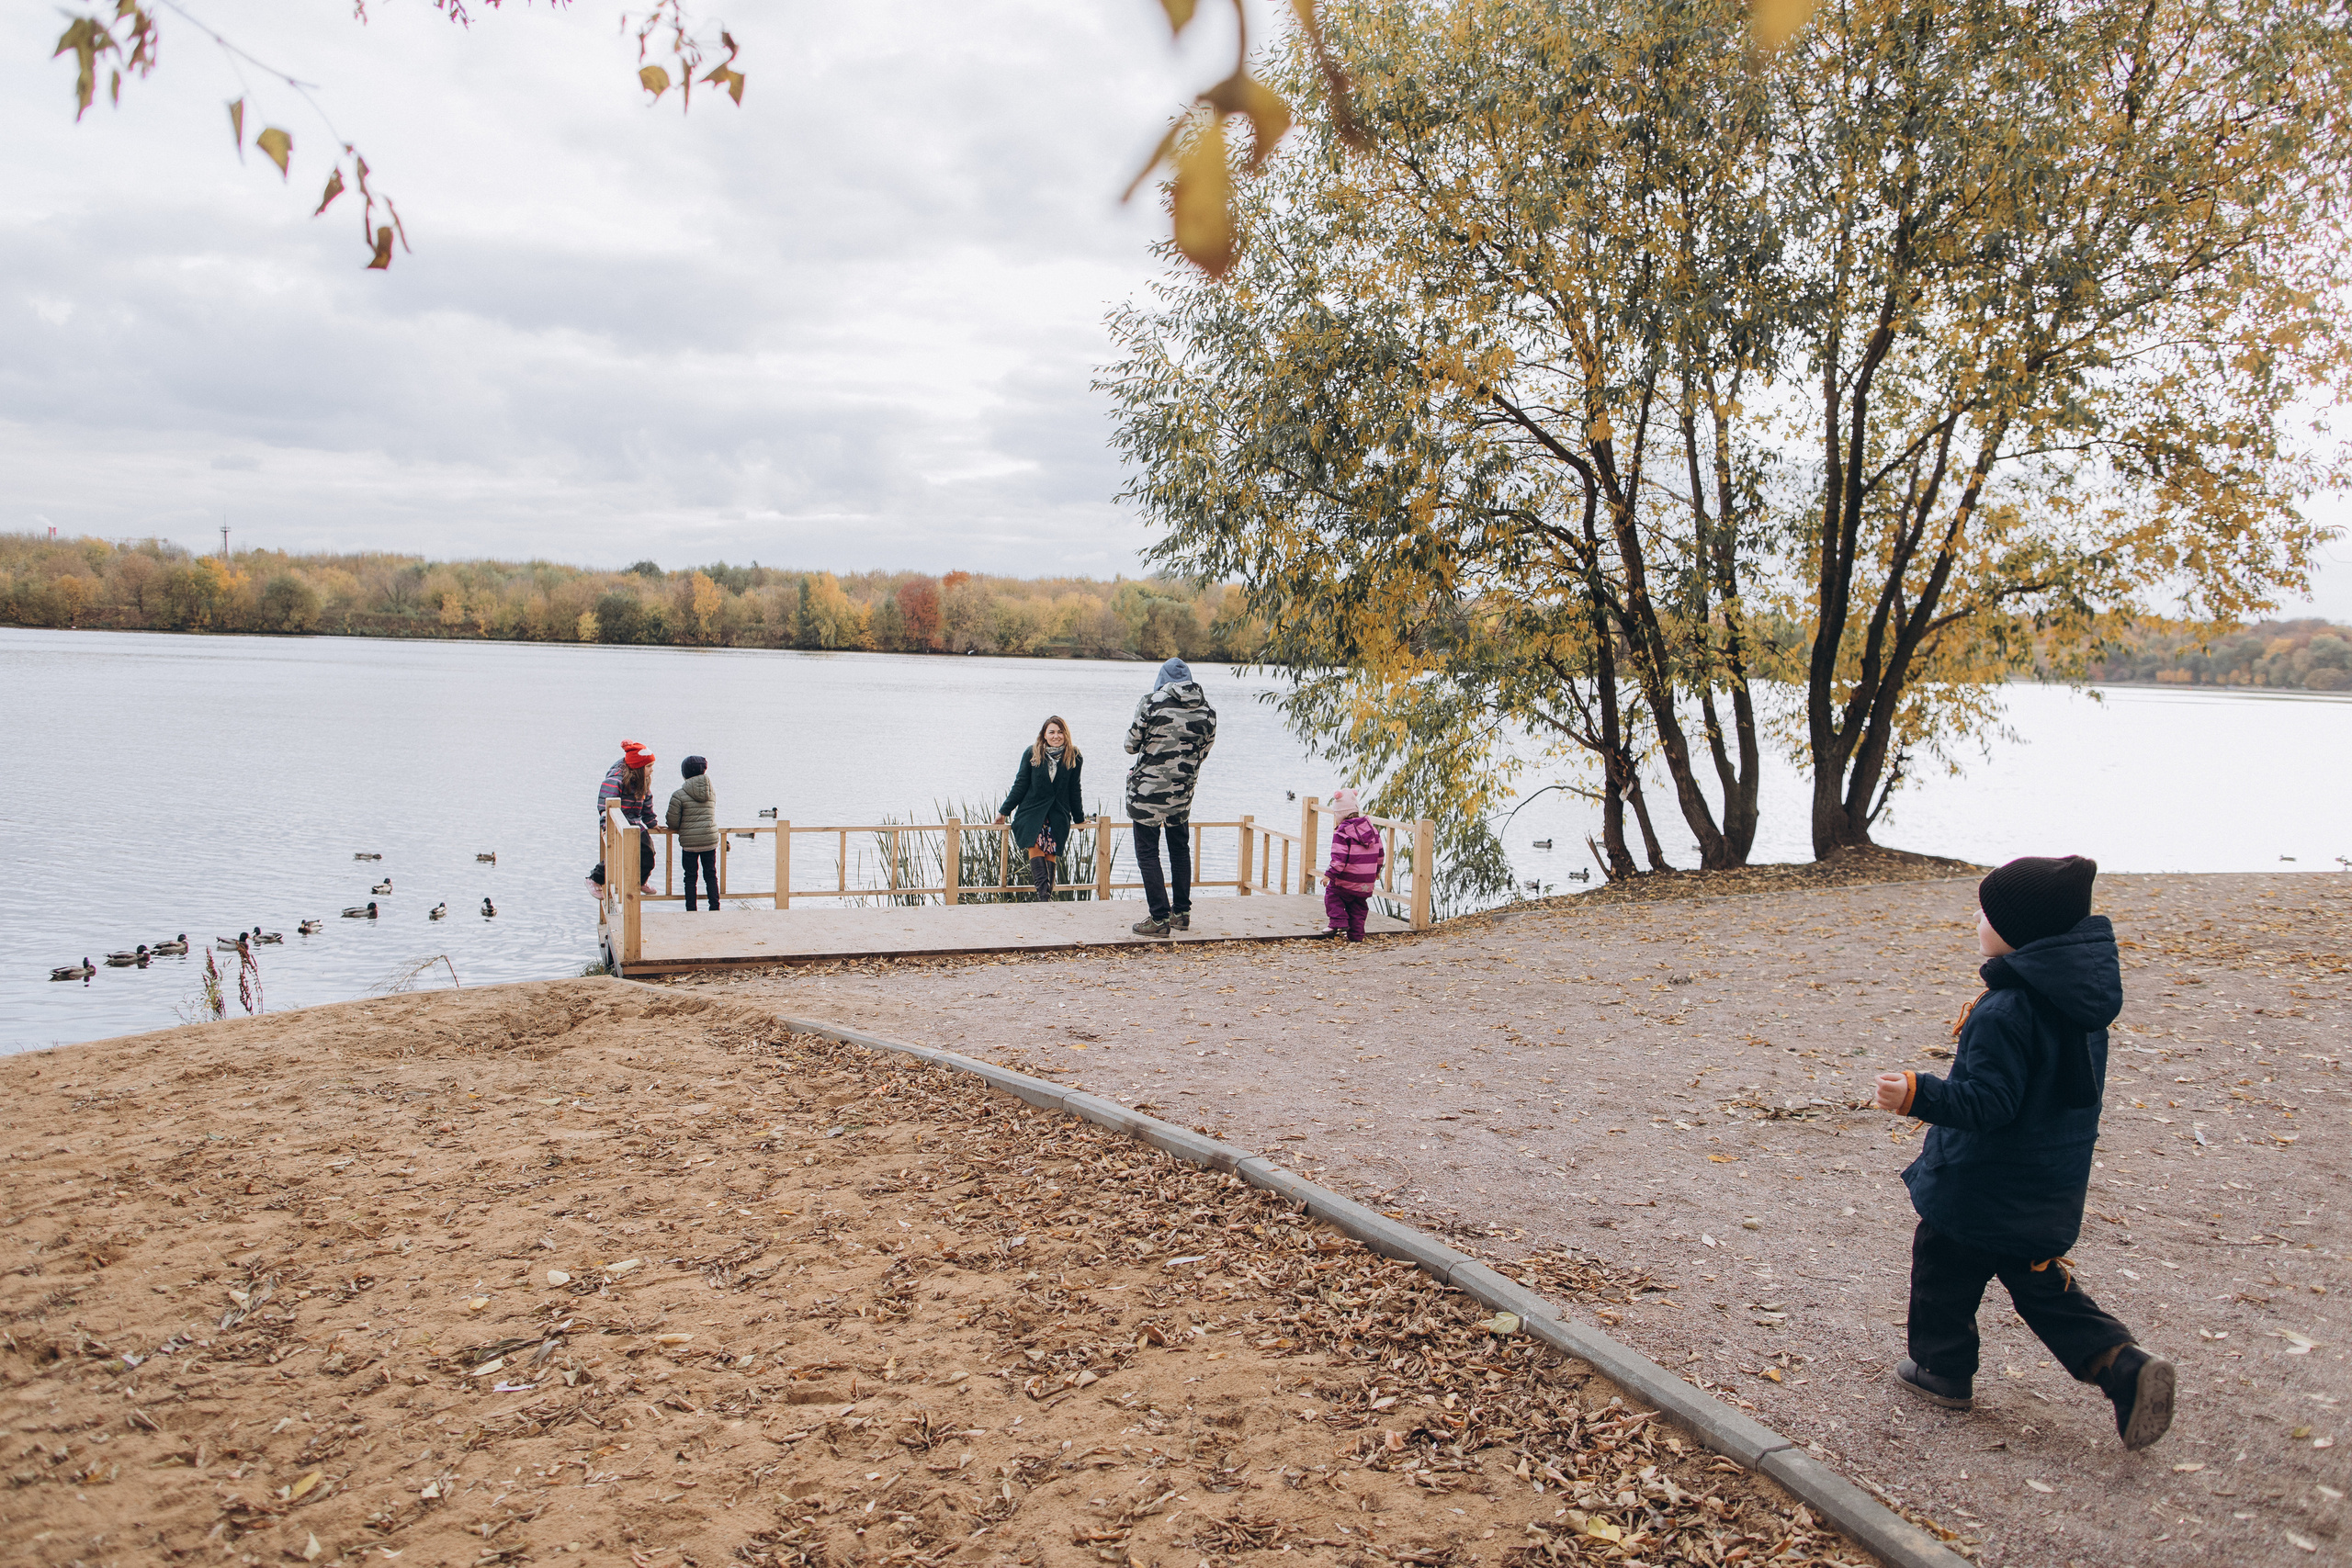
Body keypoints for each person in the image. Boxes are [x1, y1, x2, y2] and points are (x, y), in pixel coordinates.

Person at [1871, 854, 2176, 1450]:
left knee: (1941, 1265)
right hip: (2046, 1183)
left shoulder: (2006, 1009)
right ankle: (2122, 1364)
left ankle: (1942, 1369)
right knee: (2040, 1284)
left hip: (1980, 1186)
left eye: (1987, 912)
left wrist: (1917, 1093)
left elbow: (1990, 1102)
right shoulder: (2080, 1005)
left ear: (2022, 931)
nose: (1978, 919)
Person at [1124, 656, 1216, 936]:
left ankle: (1159, 917)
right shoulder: (1208, 712)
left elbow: (1131, 745)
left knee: (1148, 852)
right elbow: (1203, 753)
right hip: (1182, 793)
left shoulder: (1151, 702)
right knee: (1179, 849)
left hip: (1147, 793)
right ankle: (1182, 913)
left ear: (1163, 679)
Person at [996, 716, 1084, 902]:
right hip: (1031, 811)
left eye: (1060, 732)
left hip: (1057, 812)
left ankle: (1045, 896)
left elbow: (1074, 789)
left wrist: (1079, 819)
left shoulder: (1074, 756)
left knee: (1051, 850)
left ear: (1066, 734)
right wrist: (1004, 811)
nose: (1056, 736)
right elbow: (1020, 784)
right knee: (1035, 844)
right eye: (1051, 732)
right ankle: (1044, 896)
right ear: (1044, 735)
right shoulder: (1032, 753)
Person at [588, 740, 658, 896]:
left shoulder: (643, 781)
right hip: (617, 823)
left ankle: (640, 881)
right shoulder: (616, 780)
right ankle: (595, 878)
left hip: (635, 823)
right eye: (648, 766)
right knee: (618, 855)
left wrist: (651, 823)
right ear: (638, 767)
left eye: (652, 766)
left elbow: (647, 803)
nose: (651, 770)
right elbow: (606, 805)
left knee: (648, 852)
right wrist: (607, 826)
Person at [1319, 788, 1385, 942]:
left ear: (1340, 814)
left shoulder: (1342, 833)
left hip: (1346, 880)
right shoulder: (1373, 831)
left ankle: (1338, 922)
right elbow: (1380, 854)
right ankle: (1356, 936)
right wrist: (1377, 871)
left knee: (1332, 894)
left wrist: (1328, 875)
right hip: (1365, 882)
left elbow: (1339, 859)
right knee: (1358, 907)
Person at [666, 755, 720, 912]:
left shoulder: (679, 795)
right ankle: (715, 909)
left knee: (690, 877)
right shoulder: (711, 792)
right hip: (710, 839)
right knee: (711, 874)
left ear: (684, 773)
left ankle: (691, 911)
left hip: (690, 843)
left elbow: (673, 822)